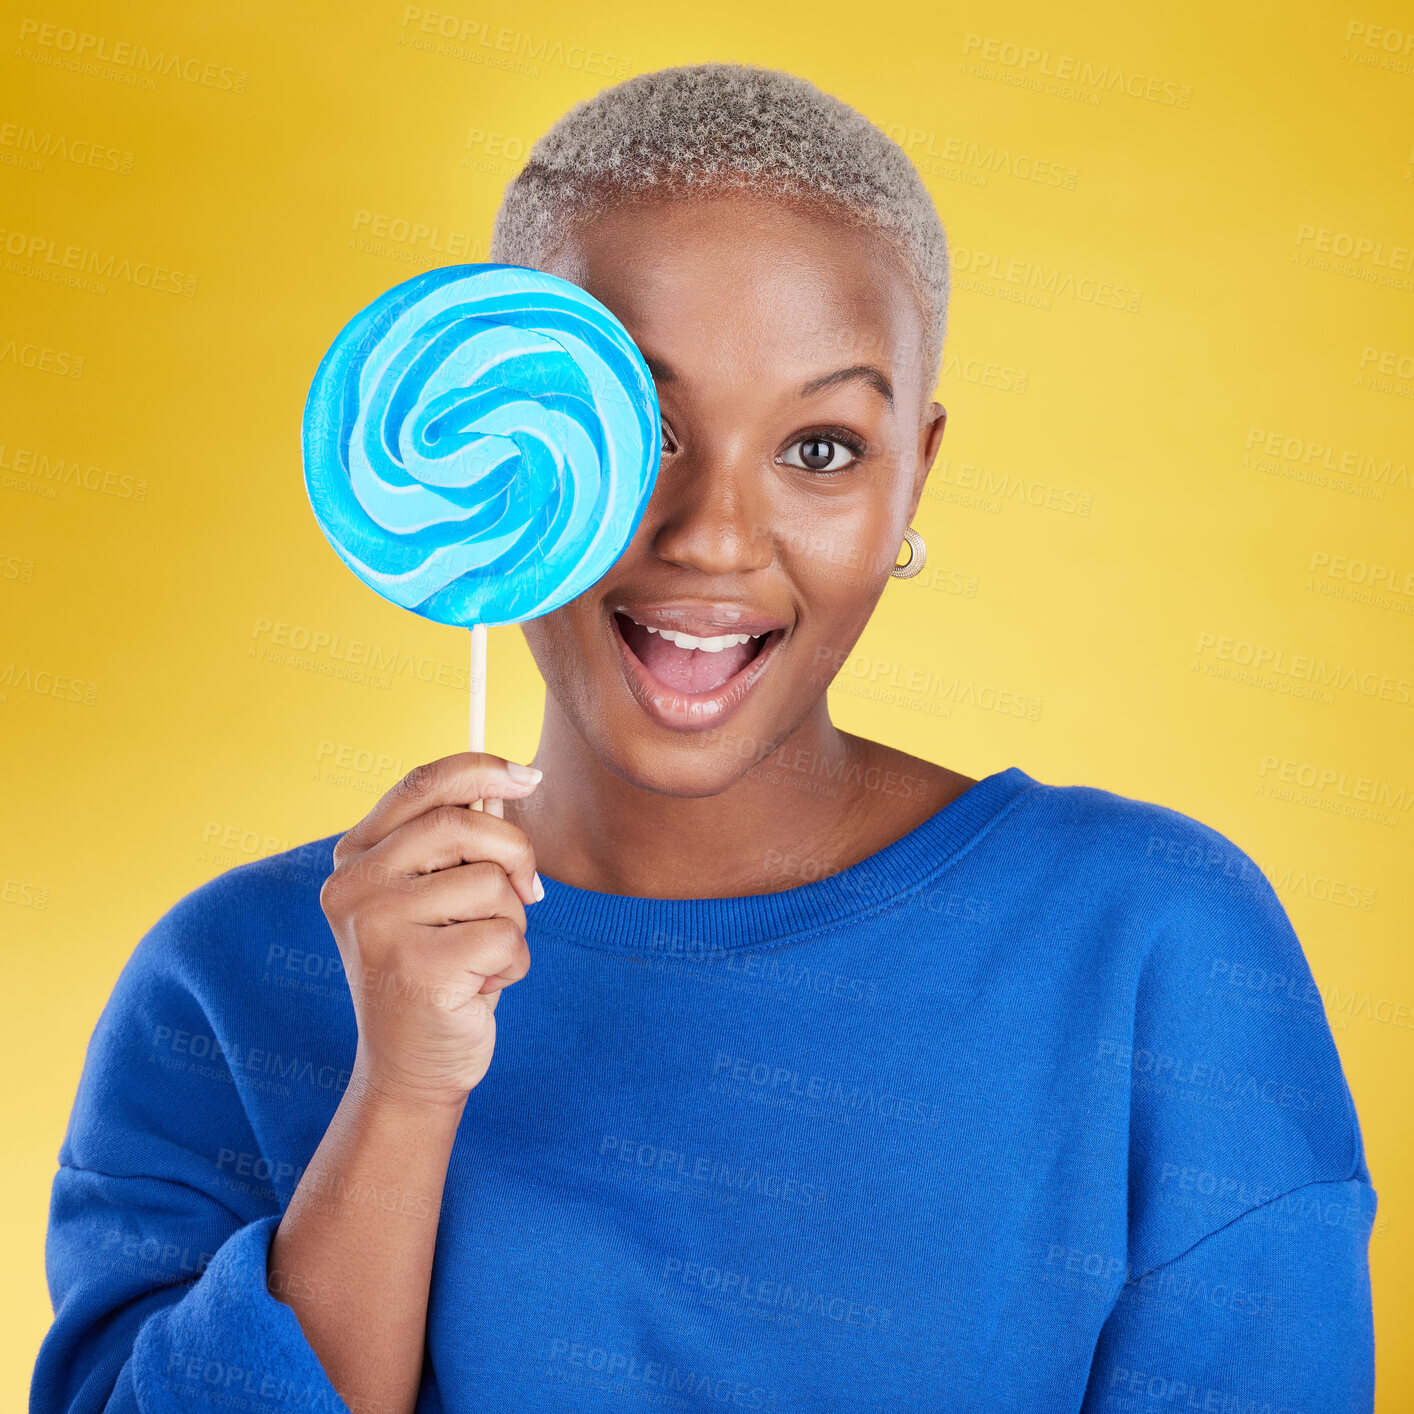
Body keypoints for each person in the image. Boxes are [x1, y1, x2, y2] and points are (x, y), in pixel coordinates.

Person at [32, 64, 1375, 1414]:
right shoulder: (229, 985)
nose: (713, 536)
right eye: (646, 428)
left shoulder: (1150, 944)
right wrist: (398, 1098)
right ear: (504, 430)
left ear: (917, 467)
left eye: (821, 448)